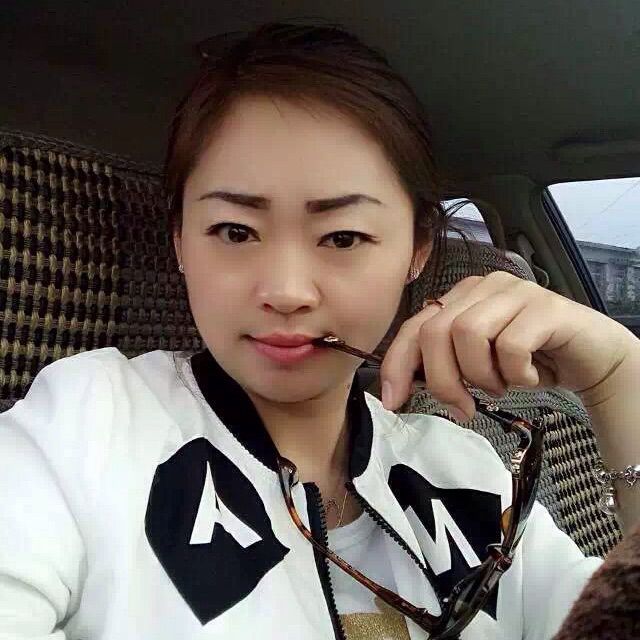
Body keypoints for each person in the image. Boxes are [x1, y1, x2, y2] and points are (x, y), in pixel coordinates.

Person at [1, 21, 639, 640]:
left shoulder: (469, 473)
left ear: (417, 249)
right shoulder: (80, 429)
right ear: (180, 241)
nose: (286, 291)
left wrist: (620, 380)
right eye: (235, 231)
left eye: (342, 237)